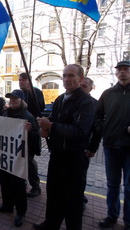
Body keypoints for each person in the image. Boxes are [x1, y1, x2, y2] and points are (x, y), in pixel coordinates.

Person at [33, 64, 95, 230]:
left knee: (73, 200)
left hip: (74, 158)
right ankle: (51, 223)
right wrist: (45, 131)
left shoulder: (86, 102)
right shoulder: (60, 99)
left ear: (80, 78)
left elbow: (80, 131)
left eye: (71, 76)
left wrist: (51, 126)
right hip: (57, 155)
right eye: (65, 75)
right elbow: (53, 120)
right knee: (53, 194)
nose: (67, 79)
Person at [0, 89, 40, 227]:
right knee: (4, 180)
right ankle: (7, 205)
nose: (13, 101)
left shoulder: (28, 116)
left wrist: (31, 131)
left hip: (19, 157)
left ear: (22, 100)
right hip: (5, 154)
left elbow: (36, 139)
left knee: (18, 185)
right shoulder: (6, 113)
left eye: (16, 98)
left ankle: (21, 212)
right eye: (11, 98)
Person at [95, 60, 130, 230]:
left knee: (129, 187)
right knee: (112, 184)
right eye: (120, 70)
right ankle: (112, 216)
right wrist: (105, 130)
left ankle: (128, 221)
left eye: (126, 69)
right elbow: (98, 116)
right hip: (111, 146)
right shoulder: (108, 93)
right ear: (116, 73)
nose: (122, 72)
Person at [19, 72, 45, 197]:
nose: (20, 82)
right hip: (20, 130)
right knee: (21, 158)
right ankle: (22, 181)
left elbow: (40, 107)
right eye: (19, 80)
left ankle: (35, 186)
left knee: (29, 159)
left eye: (22, 80)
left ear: (28, 81)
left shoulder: (36, 92)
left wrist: (31, 93)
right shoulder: (19, 93)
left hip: (32, 129)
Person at [80, 77, 102, 208]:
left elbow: (97, 130)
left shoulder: (95, 104)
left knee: (81, 174)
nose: (82, 87)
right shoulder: (70, 99)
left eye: (85, 86)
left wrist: (92, 148)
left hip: (85, 146)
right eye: (80, 85)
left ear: (90, 88)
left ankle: (80, 196)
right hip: (70, 146)